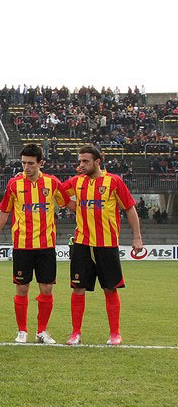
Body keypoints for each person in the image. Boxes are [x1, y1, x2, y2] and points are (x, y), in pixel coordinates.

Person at [60, 145, 143, 345]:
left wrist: (137, 237)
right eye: (80, 161)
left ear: (97, 161)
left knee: (110, 288)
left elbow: (130, 209)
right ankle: (76, 333)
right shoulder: (76, 182)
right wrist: (75, 207)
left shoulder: (114, 181)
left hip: (107, 244)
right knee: (78, 289)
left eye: (85, 161)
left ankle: (115, 333)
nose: (81, 165)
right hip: (82, 244)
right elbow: (57, 194)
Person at [0, 144, 66, 344]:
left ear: (41, 163)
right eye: (23, 163)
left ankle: (42, 331)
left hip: (46, 245)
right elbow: (4, 211)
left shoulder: (52, 183)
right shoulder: (14, 185)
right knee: (22, 289)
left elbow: (67, 203)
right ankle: (22, 331)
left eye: (31, 163)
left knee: (46, 289)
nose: (26, 167)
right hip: (22, 245)